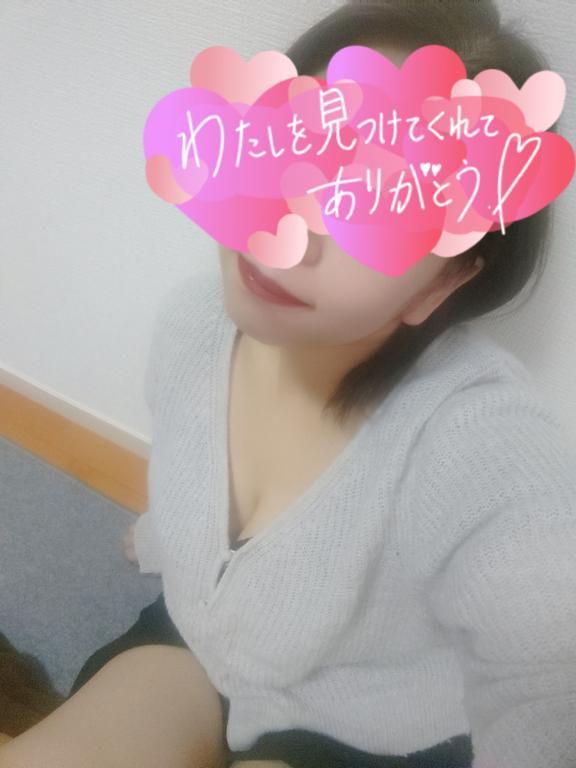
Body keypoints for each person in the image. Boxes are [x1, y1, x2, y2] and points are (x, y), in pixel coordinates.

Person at [3, 2, 576, 768]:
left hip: (363, 726)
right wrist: (174, 533)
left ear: (448, 277)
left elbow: (548, 685)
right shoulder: (194, 325)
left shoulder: (483, 447)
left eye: (379, 202)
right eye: (291, 147)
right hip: (201, 641)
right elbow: (187, 465)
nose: (288, 234)